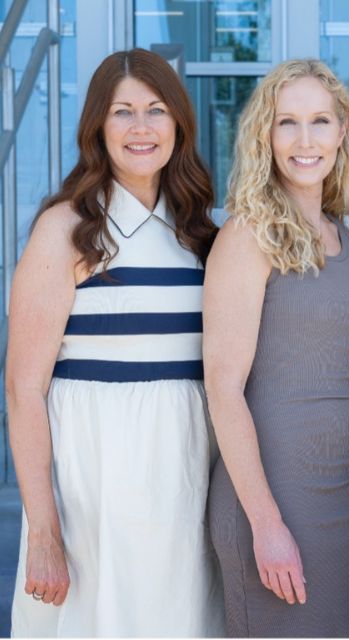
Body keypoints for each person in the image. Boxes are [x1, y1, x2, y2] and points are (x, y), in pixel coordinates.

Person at [7, 48, 223, 636]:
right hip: (92, 495)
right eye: (122, 112)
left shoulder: (202, 234)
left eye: (156, 110)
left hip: (185, 486)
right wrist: (45, 532)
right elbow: (24, 390)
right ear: (97, 127)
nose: (141, 127)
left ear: (179, 124)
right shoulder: (67, 229)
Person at [203, 58, 349, 637]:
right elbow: (223, 389)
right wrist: (266, 525)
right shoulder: (246, 236)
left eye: (320, 121)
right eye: (287, 122)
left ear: (343, 133)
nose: (305, 140)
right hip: (275, 499)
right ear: (265, 134)